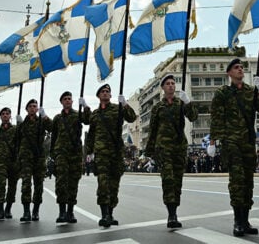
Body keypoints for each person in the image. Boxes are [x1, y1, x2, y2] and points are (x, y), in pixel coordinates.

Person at [209, 58, 259, 237]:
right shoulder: (223, 93)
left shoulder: (251, 91)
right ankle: (237, 221)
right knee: (237, 181)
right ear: (229, 73)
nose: (240, 70)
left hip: (248, 142)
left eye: (242, 67)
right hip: (231, 141)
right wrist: (213, 141)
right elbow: (216, 117)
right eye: (236, 68)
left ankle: (246, 220)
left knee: (248, 182)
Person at [144, 74, 198, 228]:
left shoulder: (181, 104)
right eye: (167, 83)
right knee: (168, 180)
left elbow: (193, 117)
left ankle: (175, 209)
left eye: (173, 83)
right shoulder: (157, 108)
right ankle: (171, 214)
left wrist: (188, 102)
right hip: (163, 149)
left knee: (177, 182)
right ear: (162, 88)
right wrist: (150, 152)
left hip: (179, 148)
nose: (171, 86)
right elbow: (153, 129)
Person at [85, 84, 138, 228]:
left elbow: (132, 118)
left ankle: (110, 212)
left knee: (114, 185)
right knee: (103, 183)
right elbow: (91, 135)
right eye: (103, 91)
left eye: (108, 91)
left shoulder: (117, 109)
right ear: (98, 95)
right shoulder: (95, 114)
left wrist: (125, 104)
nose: (105, 93)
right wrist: (88, 153)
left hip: (116, 152)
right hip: (101, 153)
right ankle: (104, 215)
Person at [50, 91, 90, 224]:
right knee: (61, 182)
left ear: (72, 102)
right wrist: (53, 154)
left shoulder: (78, 115)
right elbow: (53, 137)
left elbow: (88, 120)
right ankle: (62, 212)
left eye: (69, 99)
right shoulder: (57, 118)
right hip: (61, 153)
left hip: (75, 153)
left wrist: (85, 106)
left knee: (73, 182)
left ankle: (70, 211)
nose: (68, 101)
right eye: (65, 99)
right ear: (61, 102)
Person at [16, 98, 53, 222]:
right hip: (26, 158)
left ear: (38, 109)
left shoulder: (42, 122)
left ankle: (35, 211)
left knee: (39, 185)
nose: (33, 108)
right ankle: (26, 211)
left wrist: (45, 116)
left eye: (35, 106)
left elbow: (52, 128)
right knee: (26, 184)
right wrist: (18, 125)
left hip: (39, 157)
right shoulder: (22, 124)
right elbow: (16, 141)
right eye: (30, 106)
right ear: (26, 109)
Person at [0, 107, 19, 221]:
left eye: (7, 113)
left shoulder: (16, 130)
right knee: (0, 186)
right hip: (0, 162)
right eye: (3, 114)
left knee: (12, 187)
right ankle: (0, 210)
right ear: (0, 117)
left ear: (10, 116)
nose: (5, 115)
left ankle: (8, 209)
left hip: (13, 162)